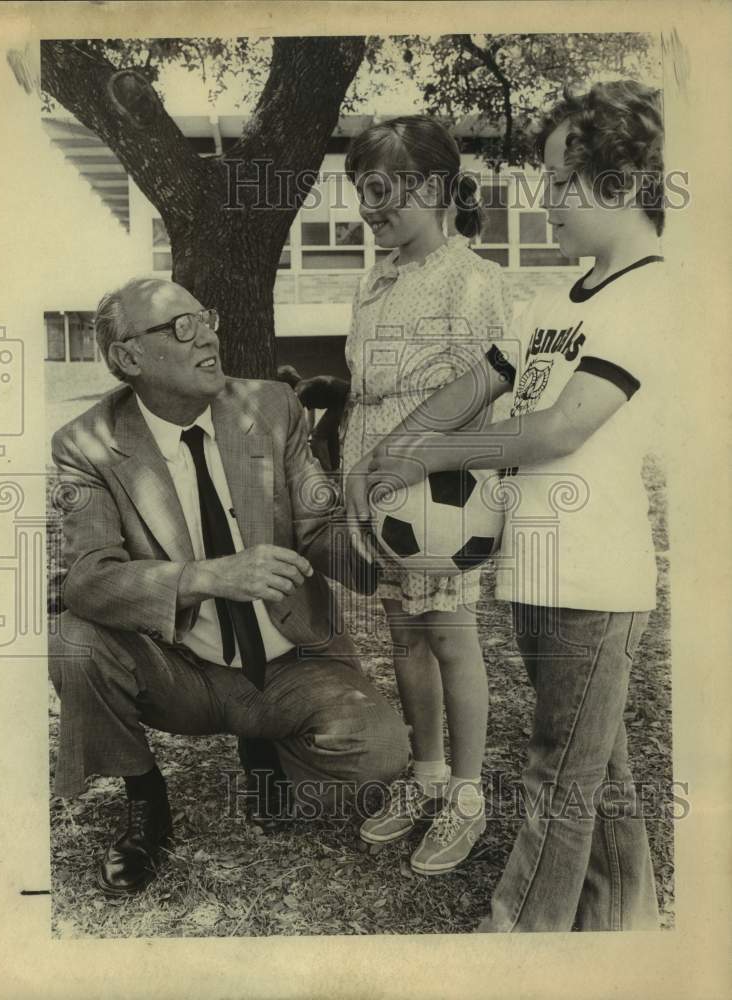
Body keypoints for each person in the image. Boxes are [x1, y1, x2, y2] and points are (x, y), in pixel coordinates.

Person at [346, 80, 667, 929]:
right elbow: (476, 384)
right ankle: (626, 932)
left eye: (560, 182)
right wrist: (387, 453)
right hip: (536, 570)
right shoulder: (555, 301)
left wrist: (430, 455)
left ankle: (515, 942)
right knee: (600, 777)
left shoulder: (649, 295)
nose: (544, 201)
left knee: (558, 775)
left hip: (596, 580)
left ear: (619, 183)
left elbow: (561, 426)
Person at [49, 277, 409, 897]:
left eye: (206, 318)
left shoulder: (270, 406)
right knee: (73, 641)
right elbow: (87, 579)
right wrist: (208, 576)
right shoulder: (87, 444)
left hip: (288, 660)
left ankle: (264, 747)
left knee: (378, 758)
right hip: (178, 667)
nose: (209, 336)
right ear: (129, 357)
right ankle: (146, 797)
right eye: (181, 326)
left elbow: (317, 528)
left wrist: (385, 554)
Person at [336, 115, 512, 875]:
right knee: (404, 636)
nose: (368, 207)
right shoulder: (374, 280)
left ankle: (467, 794)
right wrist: (356, 472)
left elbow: (486, 388)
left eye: (382, 190)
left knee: (449, 634)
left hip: (438, 497)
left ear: (434, 187)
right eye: (362, 191)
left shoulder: (472, 280)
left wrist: (407, 467)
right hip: (377, 492)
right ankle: (428, 773)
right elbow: (364, 390)